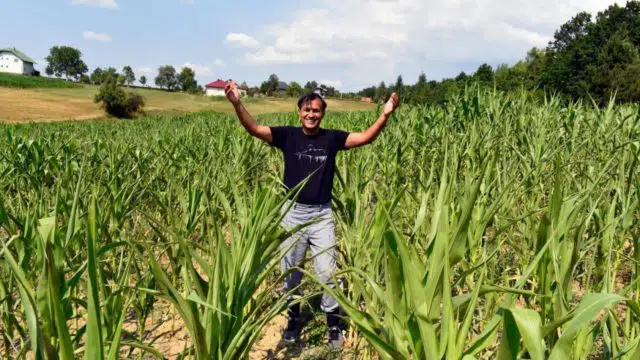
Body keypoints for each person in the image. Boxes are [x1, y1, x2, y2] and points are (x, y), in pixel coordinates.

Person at [224, 80, 400, 349]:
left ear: (322, 114)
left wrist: (385, 114)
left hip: (321, 215)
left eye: (316, 111)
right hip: (292, 214)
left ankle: (333, 324)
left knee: (327, 271)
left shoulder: (332, 139)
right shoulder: (287, 136)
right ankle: (293, 319)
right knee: (291, 271)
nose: (311, 115)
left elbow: (365, 137)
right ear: (299, 112)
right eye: (307, 110)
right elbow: (254, 129)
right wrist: (237, 103)